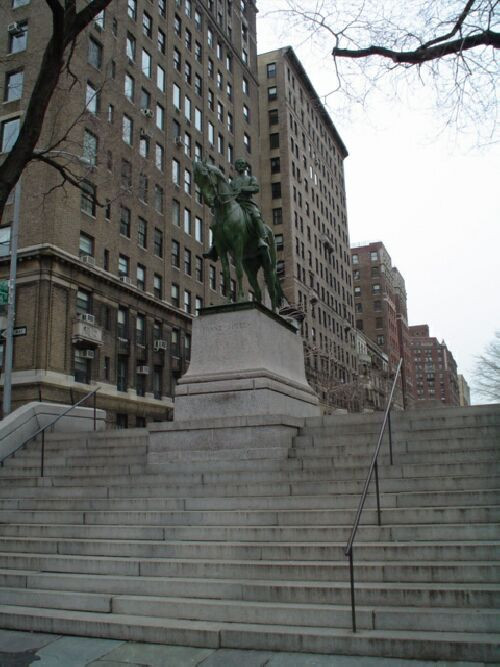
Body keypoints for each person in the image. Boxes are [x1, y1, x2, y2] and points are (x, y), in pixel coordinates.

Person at [203, 158, 269, 261]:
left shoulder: (251, 179)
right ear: (236, 168)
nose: (240, 166)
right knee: (217, 222)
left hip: (247, 204)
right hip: (235, 205)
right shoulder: (233, 183)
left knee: (256, 215)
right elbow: (229, 194)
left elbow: (256, 188)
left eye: (242, 164)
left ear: (245, 167)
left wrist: (243, 189)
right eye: (238, 164)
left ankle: (262, 239)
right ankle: (214, 246)